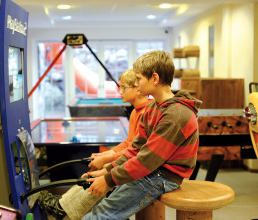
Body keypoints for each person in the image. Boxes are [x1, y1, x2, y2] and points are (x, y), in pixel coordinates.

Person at [80, 50, 202, 220]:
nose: (136, 83)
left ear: (155, 78)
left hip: (164, 176)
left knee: (102, 213)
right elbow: (135, 149)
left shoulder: (176, 115)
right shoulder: (152, 108)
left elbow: (147, 159)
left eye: (138, 79)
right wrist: (108, 170)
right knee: (106, 204)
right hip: (152, 170)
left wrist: (108, 180)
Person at [38, 69, 152, 220]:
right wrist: (104, 155)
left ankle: (63, 208)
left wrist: (107, 158)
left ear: (138, 89)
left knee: (101, 175)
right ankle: (62, 204)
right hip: (132, 160)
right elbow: (129, 143)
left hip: (141, 168)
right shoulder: (135, 112)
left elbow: (137, 150)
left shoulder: (147, 113)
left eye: (123, 87)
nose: (119, 91)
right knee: (93, 173)